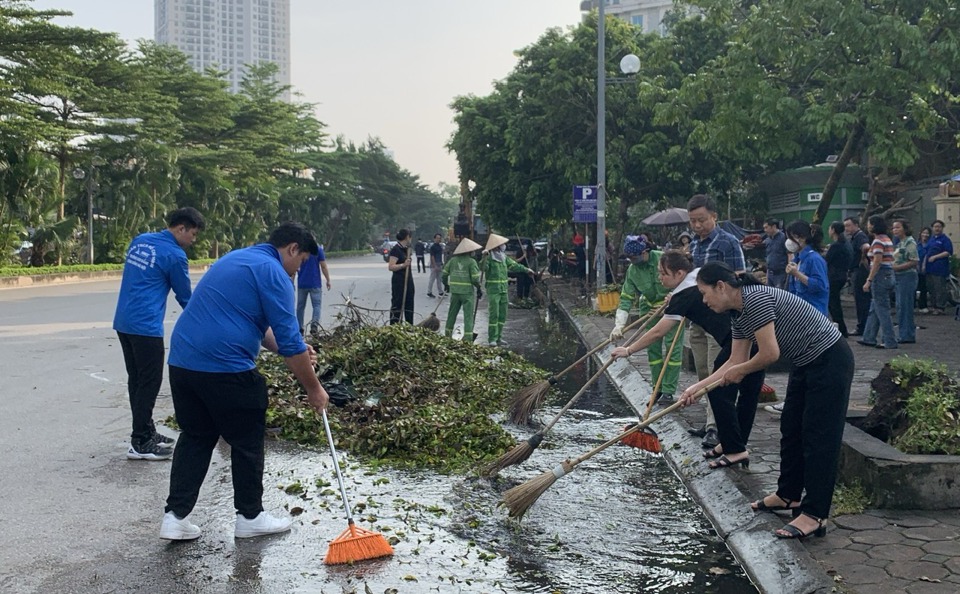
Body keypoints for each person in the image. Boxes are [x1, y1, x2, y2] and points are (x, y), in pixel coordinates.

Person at [160, 222, 330, 541]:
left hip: (183, 364)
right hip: (226, 368)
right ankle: (250, 516)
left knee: (196, 436)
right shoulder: (275, 273)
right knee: (247, 440)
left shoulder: (237, 259)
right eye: (303, 261)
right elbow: (292, 342)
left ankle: (175, 516)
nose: (299, 268)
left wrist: (286, 347)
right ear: (293, 248)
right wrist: (314, 389)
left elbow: (256, 324)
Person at [680, 261, 854, 540]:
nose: (703, 301)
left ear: (721, 287)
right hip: (805, 363)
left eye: (704, 293)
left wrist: (741, 371)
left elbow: (769, 354)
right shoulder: (738, 314)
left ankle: (814, 515)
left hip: (830, 359)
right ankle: (788, 495)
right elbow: (734, 360)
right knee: (791, 429)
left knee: (818, 436)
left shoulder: (755, 299)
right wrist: (696, 388)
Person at [611, 251, 764, 468]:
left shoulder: (685, 295)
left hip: (739, 341)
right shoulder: (697, 278)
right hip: (744, 336)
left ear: (679, 273)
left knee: (720, 392)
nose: (659, 278)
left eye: (663, 274)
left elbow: (657, 332)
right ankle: (732, 444)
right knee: (745, 393)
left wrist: (628, 350)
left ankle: (736, 449)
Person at [113, 207, 205, 461]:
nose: (192, 240)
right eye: (193, 234)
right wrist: (205, 322)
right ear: (180, 229)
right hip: (146, 326)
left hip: (124, 322)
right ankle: (140, 442)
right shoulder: (175, 255)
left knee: (137, 380)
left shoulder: (141, 240)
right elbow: (186, 297)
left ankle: (145, 430)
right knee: (149, 383)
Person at [685, 194, 746, 449]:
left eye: (701, 220)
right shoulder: (696, 245)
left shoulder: (728, 242)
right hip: (699, 316)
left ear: (714, 216)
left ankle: (715, 426)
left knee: (715, 370)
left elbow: (740, 276)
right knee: (701, 369)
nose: (697, 226)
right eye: (693, 222)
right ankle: (709, 421)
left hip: (720, 319)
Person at [610, 239, 683, 404]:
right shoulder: (633, 270)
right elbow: (627, 297)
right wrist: (619, 324)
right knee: (653, 351)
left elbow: (681, 283)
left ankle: (668, 391)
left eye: (635, 257)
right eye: (630, 258)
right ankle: (657, 388)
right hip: (649, 309)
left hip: (672, 307)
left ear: (645, 252)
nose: (633, 261)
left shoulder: (663, 260)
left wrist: (672, 301)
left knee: (673, 349)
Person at [481, 233, 534, 347]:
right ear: (496, 246)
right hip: (493, 290)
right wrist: (484, 258)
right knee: (494, 314)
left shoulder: (503, 256)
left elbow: (514, 265)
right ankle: (492, 338)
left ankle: (499, 337)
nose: (503, 246)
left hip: (503, 289)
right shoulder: (489, 257)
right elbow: (483, 268)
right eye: (502, 244)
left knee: (502, 314)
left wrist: (526, 270)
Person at [857, 215, 898, 349]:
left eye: (869, 224)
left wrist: (869, 279)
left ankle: (890, 340)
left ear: (874, 225)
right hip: (888, 274)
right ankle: (869, 337)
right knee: (875, 307)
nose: (868, 226)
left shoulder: (877, 242)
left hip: (880, 276)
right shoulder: (887, 239)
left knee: (882, 309)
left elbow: (877, 262)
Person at [784, 221, 829, 316]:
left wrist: (797, 274)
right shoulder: (798, 258)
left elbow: (820, 286)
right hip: (800, 312)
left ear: (803, 238)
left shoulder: (814, 259)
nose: (789, 241)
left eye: (791, 238)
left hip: (814, 313)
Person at [441, 238, 482, 340]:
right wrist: (479, 288)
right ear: (469, 251)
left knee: (452, 314)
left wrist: (446, 284)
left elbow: (444, 274)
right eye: (472, 250)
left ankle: (447, 336)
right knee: (468, 316)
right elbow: (475, 279)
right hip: (467, 293)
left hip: (455, 292)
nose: (474, 252)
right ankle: (468, 339)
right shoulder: (471, 262)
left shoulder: (452, 261)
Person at [891, 220, 919, 343]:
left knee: (905, 306)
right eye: (893, 228)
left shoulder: (910, 242)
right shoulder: (899, 243)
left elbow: (914, 261)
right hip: (898, 276)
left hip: (907, 276)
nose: (895, 230)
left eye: (898, 227)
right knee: (900, 306)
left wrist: (896, 267)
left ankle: (907, 335)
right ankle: (904, 333)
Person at [843, 217, 871, 336]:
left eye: (848, 225)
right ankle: (863, 326)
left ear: (856, 225)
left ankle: (862, 327)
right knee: (860, 300)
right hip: (855, 270)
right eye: (845, 226)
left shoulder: (860, 236)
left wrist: (863, 258)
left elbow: (866, 247)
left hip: (860, 271)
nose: (846, 229)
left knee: (862, 300)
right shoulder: (853, 238)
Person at [825, 222, 853, 337]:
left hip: (834, 277)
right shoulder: (845, 243)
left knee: (833, 304)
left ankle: (840, 328)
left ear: (833, 230)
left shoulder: (836, 245)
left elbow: (827, 260)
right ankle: (842, 328)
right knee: (834, 302)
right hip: (841, 275)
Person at [295, 246, 331, 336]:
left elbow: (295, 267)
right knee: (316, 306)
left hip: (302, 283)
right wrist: (328, 280)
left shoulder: (300, 249)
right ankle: (314, 326)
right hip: (315, 283)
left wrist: (291, 282)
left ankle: (299, 328)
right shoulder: (318, 249)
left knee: (300, 307)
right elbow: (323, 266)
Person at [923, 220, 954, 315]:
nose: (937, 228)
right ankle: (933, 306)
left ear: (942, 228)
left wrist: (935, 257)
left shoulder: (945, 240)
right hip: (929, 268)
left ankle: (940, 307)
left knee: (940, 288)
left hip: (940, 268)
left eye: (939, 226)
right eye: (935, 227)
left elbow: (948, 252)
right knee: (931, 288)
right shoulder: (931, 239)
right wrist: (924, 265)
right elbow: (927, 252)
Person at [387, 229, 415, 324]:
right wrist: (403, 265)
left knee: (409, 304)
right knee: (397, 304)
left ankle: (409, 326)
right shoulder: (396, 250)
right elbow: (391, 267)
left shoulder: (407, 249)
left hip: (408, 280)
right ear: (407, 237)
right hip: (399, 281)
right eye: (410, 237)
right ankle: (394, 326)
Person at [762, 219, 788, 289]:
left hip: (781, 274)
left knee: (779, 297)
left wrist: (789, 275)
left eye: (766, 227)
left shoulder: (784, 238)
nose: (765, 230)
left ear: (773, 226)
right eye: (764, 228)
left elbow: (790, 255)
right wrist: (767, 277)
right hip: (770, 274)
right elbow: (768, 258)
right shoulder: (767, 240)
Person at [916, 227, 931, 313]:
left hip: (927, 268)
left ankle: (923, 305)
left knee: (924, 288)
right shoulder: (917, 244)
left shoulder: (930, 244)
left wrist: (924, 265)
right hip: (917, 268)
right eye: (923, 233)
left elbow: (928, 255)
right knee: (915, 287)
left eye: (927, 233)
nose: (925, 235)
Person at [426, 233, 445, 298]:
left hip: (439, 264)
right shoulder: (433, 247)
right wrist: (435, 266)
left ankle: (440, 292)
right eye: (437, 238)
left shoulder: (440, 246)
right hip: (434, 265)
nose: (438, 239)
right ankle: (429, 292)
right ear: (434, 239)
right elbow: (432, 256)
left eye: (439, 238)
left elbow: (440, 256)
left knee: (439, 279)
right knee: (432, 279)